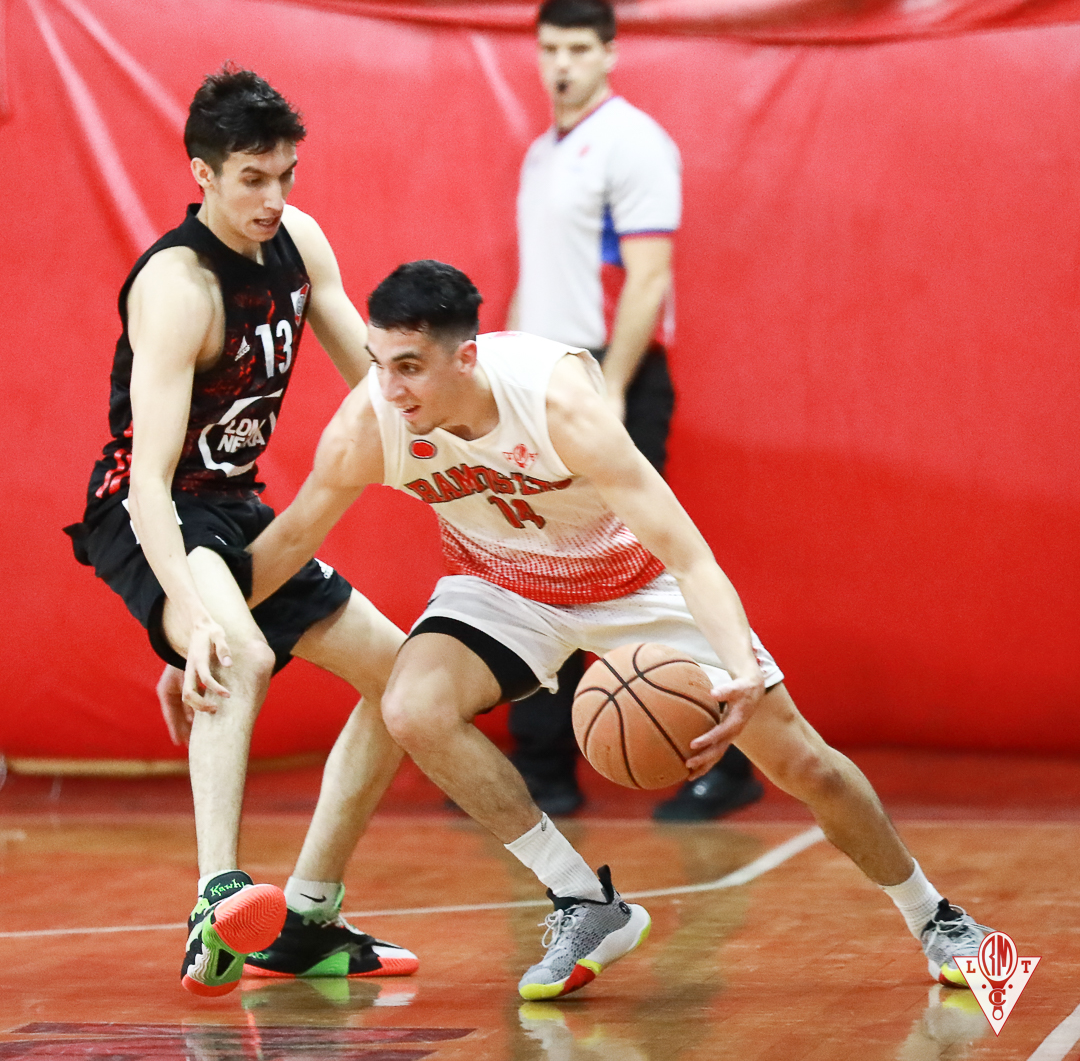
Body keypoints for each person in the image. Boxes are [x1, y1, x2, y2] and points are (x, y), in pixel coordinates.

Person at [248, 259, 994, 1000]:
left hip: (632, 581)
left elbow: (686, 552)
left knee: (809, 767)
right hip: (500, 582)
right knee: (411, 706)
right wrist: (197, 631)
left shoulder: (557, 403)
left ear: (466, 357)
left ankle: (936, 917)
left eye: (409, 367)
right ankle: (585, 902)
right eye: (380, 364)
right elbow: (287, 542)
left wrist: (737, 669)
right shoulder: (369, 425)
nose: (389, 388)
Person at [64, 67, 417, 997]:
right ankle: (213, 900)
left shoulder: (299, 244)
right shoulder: (177, 287)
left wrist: (475, 439)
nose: (273, 198)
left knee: (405, 680)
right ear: (203, 174)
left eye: (285, 176)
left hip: (233, 511)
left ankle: (303, 919)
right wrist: (192, 621)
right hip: (146, 510)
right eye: (251, 179)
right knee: (240, 654)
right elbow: (146, 483)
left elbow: (375, 387)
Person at [507, 0, 760, 819]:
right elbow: (535, 283)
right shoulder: (544, 153)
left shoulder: (634, 144)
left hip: (607, 379)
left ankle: (730, 755)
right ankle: (543, 767)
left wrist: (610, 387)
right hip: (541, 385)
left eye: (579, 49)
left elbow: (649, 276)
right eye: (550, 49)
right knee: (541, 566)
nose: (563, 64)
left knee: (644, 564)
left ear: (610, 53)